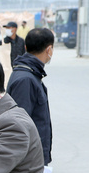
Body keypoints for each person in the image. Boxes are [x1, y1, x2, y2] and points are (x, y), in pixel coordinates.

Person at [7, 27, 54, 165]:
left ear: (26, 47)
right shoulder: (26, 79)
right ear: (49, 50)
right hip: (29, 161)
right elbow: (19, 126)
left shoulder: (31, 74)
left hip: (34, 157)